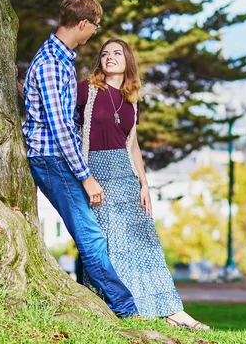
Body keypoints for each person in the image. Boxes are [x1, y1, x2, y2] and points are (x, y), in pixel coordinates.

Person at [76, 38, 209, 330]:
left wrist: (144, 184)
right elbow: (61, 120)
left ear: (128, 61)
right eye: (105, 53)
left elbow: (132, 143)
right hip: (95, 173)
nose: (110, 57)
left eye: (117, 53)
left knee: (145, 244)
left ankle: (172, 311)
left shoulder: (131, 98)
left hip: (126, 176)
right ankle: (118, 308)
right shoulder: (86, 90)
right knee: (106, 245)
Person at [22, 0, 138, 317]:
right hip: (52, 159)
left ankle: (100, 303)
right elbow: (60, 129)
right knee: (91, 237)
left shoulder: (61, 60)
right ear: (83, 24)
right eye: (94, 27)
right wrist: (86, 177)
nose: (93, 34)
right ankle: (127, 310)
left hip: (60, 158)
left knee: (89, 235)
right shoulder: (50, 64)